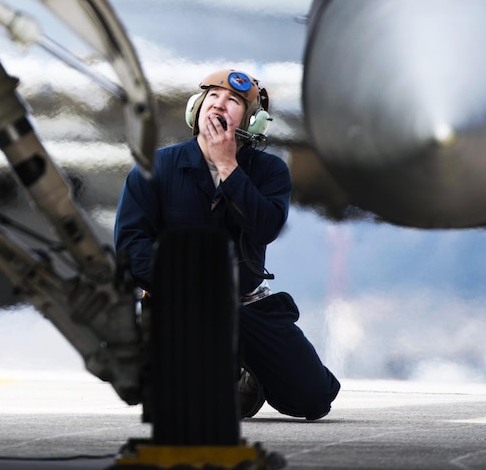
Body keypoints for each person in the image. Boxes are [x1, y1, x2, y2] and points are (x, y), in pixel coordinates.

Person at [114, 68, 340, 421]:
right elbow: (131, 247)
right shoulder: (155, 168)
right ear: (196, 108)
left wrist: (228, 166)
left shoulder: (270, 172)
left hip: (245, 305)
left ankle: (254, 373)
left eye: (233, 101)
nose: (219, 105)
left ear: (252, 122)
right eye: (213, 97)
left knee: (313, 399)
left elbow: (266, 227)